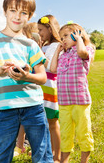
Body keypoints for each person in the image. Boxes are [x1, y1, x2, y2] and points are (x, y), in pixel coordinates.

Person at [0, 0, 53, 163]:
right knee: (2, 155)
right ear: (4, 11)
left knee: (42, 154)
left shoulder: (31, 44)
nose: (17, 16)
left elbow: (42, 77)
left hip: (33, 105)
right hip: (5, 108)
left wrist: (26, 76)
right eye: (12, 10)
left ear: (30, 16)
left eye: (23, 12)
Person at [49, 22, 95, 163]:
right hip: (64, 102)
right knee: (65, 134)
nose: (62, 40)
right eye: (61, 37)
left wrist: (79, 39)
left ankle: (83, 161)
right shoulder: (63, 55)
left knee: (83, 132)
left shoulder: (87, 49)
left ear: (77, 34)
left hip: (80, 101)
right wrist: (58, 50)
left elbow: (82, 53)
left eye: (65, 36)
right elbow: (52, 69)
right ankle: (64, 161)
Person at [14, 22, 41, 157]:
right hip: (24, 87)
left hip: (35, 87)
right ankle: (21, 143)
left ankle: (26, 144)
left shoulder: (35, 46)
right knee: (22, 118)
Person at [37, 14, 62, 162]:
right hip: (40, 88)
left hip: (50, 88)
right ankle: (47, 152)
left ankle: (57, 156)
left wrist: (39, 52)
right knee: (43, 123)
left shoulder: (55, 46)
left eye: (41, 29)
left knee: (52, 123)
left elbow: (52, 67)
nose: (39, 33)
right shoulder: (44, 46)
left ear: (49, 28)